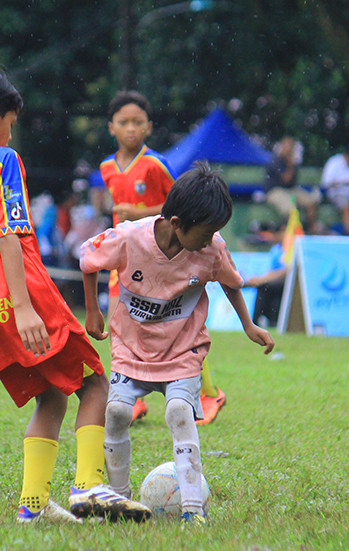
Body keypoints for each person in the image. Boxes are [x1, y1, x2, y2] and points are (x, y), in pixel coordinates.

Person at [0, 63, 150, 525]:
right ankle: (90, 486)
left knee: (50, 396)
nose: (12, 133)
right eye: (11, 123)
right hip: (24, 295)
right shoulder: (1, 160)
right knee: (94, 382)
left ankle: (32, 506)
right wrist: (26, 307)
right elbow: (9, 234)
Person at [79, 163, 275, 526]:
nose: (210, 238)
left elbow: (230, 282)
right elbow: (88, 260)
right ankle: (121, 502)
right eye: (205, 231)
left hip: (183, 348)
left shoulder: (212, 249)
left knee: (179, 412)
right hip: (132, 345)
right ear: (176, 223)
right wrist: (93, 312)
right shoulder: (128, 237)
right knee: (117, 413)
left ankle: (192, 511)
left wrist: (248, 325)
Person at [100, 90, 228, 426]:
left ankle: (209, 392)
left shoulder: (155, 165)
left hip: (163, 257)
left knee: (179, 327)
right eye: (124, 122)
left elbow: (182, 206)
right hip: (127, 258)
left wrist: (137, 211)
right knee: (121, 323)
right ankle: (131, 396)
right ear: (111, 127)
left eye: (138, 122)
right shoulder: (106, 168)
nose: (131, 128)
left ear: (149, 127)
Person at [264, 136, 321, 233]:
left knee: (311, 201)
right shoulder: (275, 161)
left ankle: (312, 230)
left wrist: (291, 163)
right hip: (274, 191)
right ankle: (293, 233)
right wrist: (290, 163)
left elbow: (292, 184)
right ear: (282, 146)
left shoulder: (293, 162)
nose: (290, 149)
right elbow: (286, 179)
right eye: (287, 146)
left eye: (292, 146)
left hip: (290, 190)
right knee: (291, 209)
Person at [244, 222, 288, 328]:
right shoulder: (276, 249)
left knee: (263, 286)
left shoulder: (291, 249)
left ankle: (257, 321)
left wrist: (262, 279)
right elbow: (273, 270)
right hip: (276, 281)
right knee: (264, 286)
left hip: (287, 282)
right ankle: (258, 321)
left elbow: (286, 270)